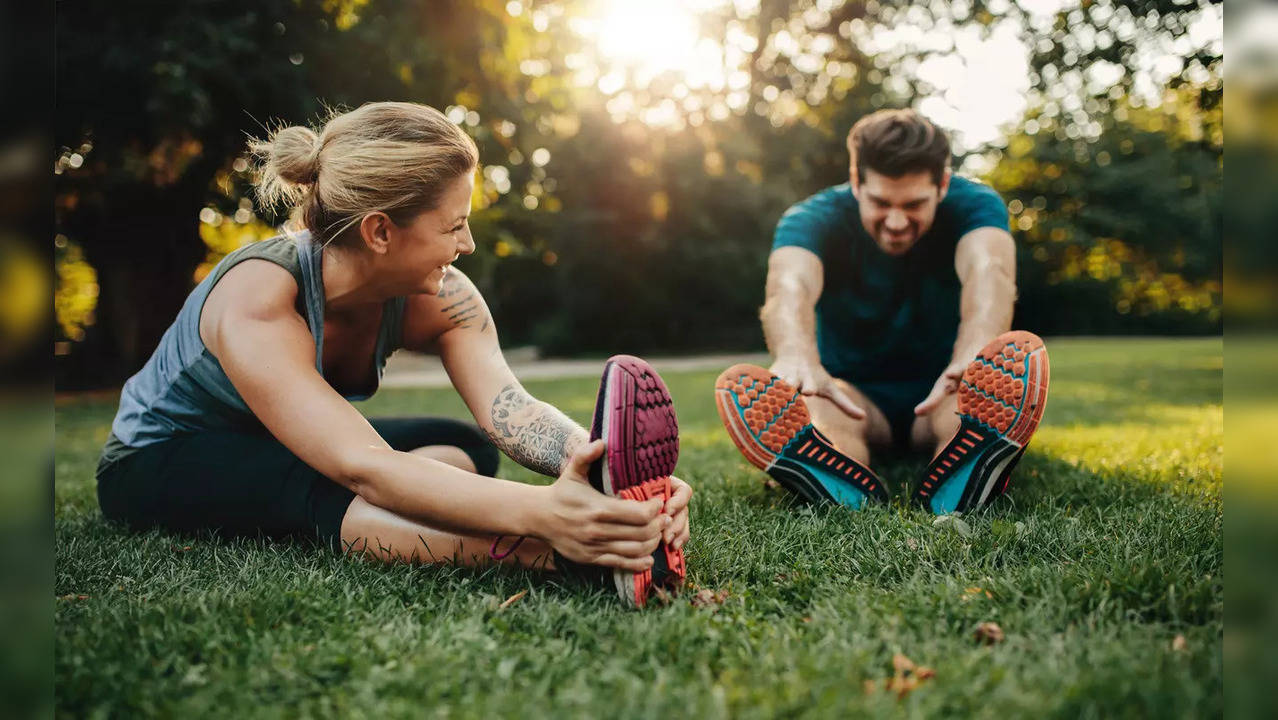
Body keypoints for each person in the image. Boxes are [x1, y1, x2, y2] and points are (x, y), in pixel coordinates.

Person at [94, 101, 691, 605]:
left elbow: (509, 407)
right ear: (380, 232)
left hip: (284, 446)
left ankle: (398, 514)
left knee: (468, 449)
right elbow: (363, 465)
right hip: (160, 458)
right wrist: (548, 516)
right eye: (453, 226)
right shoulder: (259, 298)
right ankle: (559, 559)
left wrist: (608, 475)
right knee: (334, 484)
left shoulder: (441, 295)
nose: (468, 243)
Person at [715, 109, 1050, 514]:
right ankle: (834, 472)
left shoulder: (975, 204)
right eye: (879, 202)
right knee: (822, 412)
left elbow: (988, 270)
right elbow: (790, 285)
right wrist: (797, 357)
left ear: (942, 184)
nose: (895, 221)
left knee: (965, 412)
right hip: (853, 395)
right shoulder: (810, 218)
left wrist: (974, 354)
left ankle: (967, 467)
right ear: (856, 182)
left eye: (913, 204)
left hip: (943, 388)